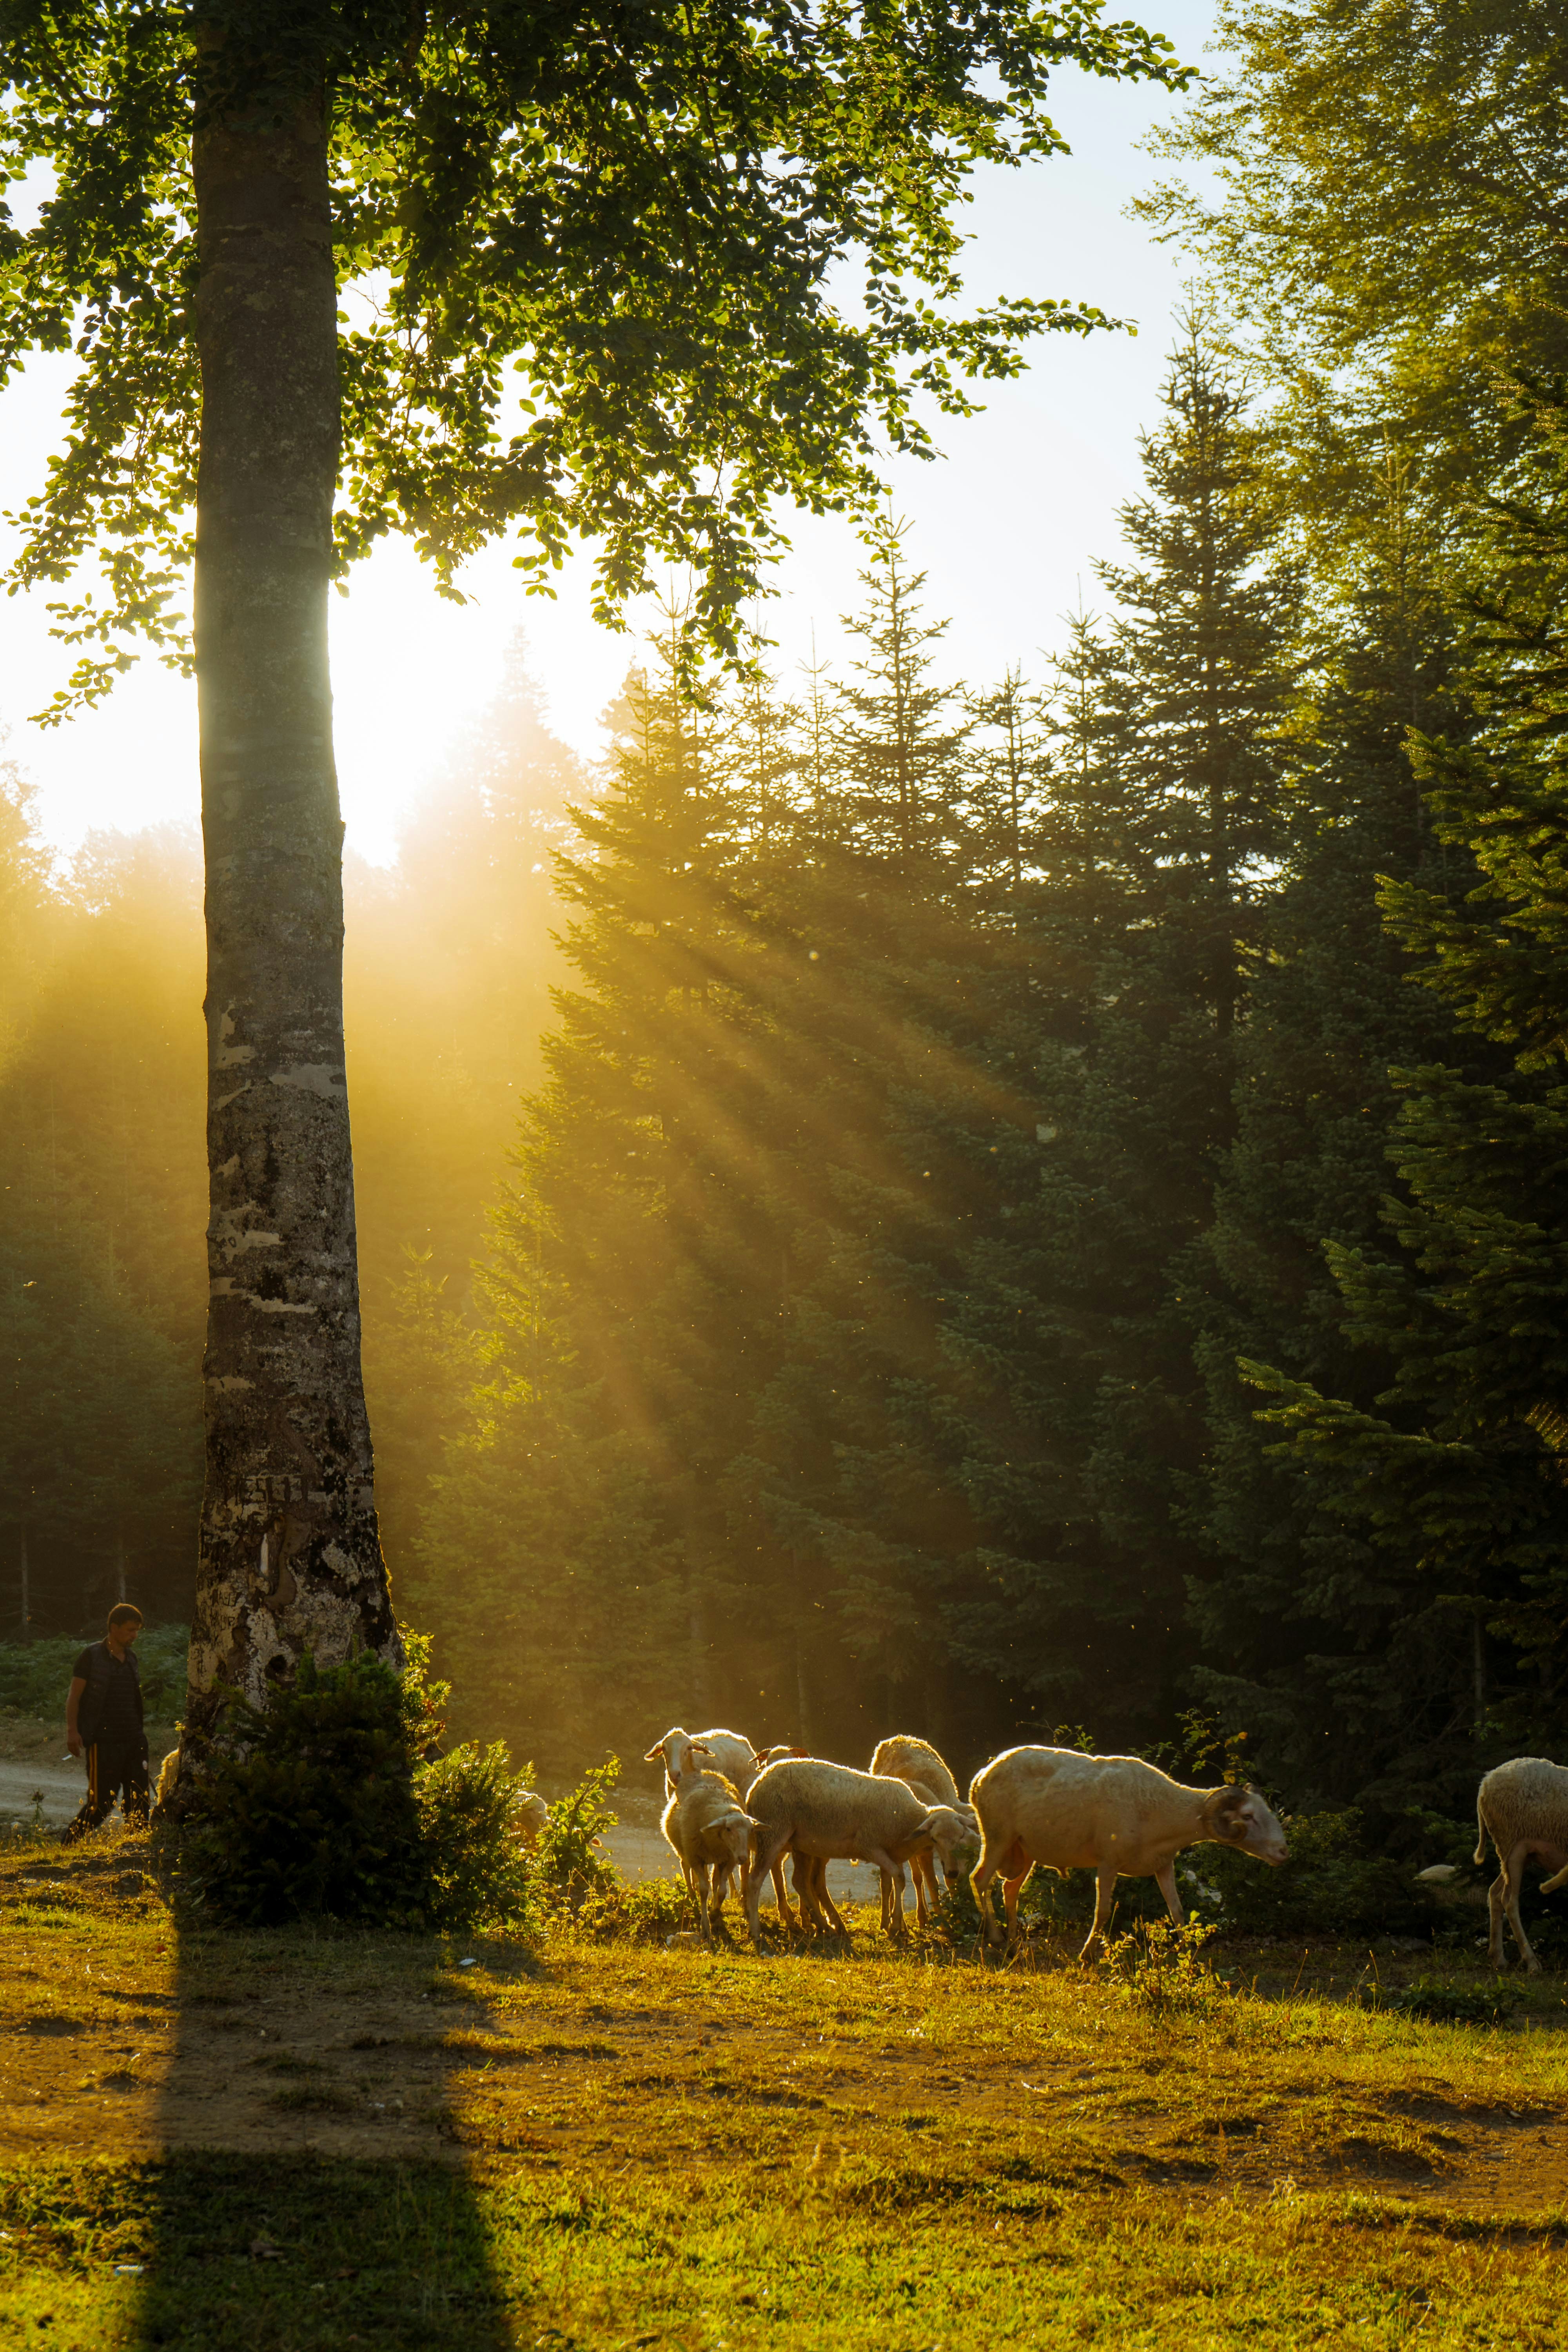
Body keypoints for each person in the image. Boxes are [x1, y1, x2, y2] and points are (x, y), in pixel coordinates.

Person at [64, 1603, 150, 1841]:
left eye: (137, 1630)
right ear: (114, 1628)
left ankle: (136, 1848)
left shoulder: (131, 1659)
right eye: (131, 1630)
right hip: (104, 1743)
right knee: (101, 1803)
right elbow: (75, 1697)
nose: (135, 1635)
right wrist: (73, 1732)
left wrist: (140, 1735)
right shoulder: (91, 1657)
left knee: (139, 1800)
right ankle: (67, 1844)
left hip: (134, 1740)